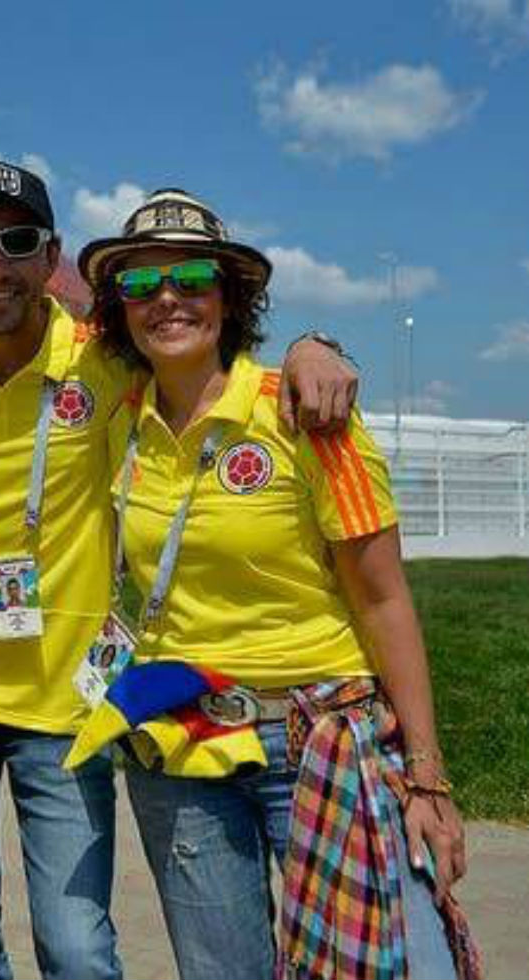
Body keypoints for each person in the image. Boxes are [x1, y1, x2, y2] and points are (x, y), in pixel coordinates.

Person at [0, 162, 362, 980]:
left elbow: (212, 350)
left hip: (65, 707)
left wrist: (312, 343)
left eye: (16, 242)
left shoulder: (107, 357)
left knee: (77, 946)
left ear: (50, 255)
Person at [72, 187, 477, 980]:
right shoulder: (120, 417)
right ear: (118, 309)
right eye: (141, 285)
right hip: (183, 753)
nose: (167, 300)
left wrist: (428, 780)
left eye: (191, 277)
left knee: (397, 966)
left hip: (317, 742)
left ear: (230, 295)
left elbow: (385, 597)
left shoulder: (304, 414)